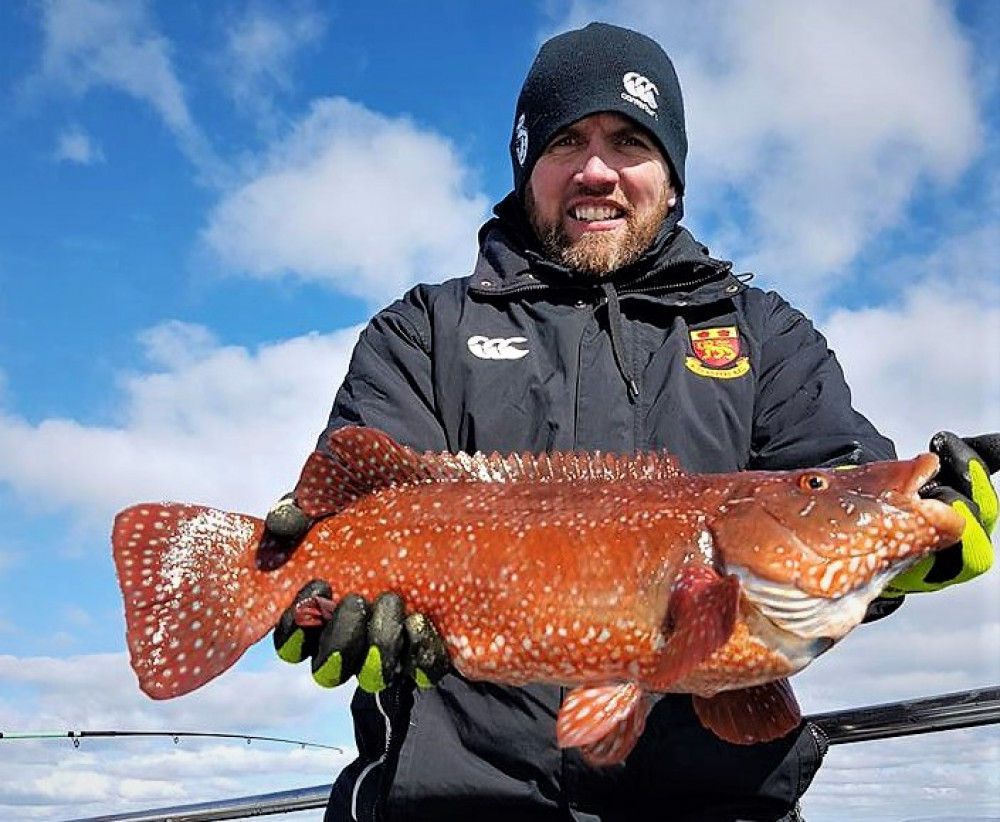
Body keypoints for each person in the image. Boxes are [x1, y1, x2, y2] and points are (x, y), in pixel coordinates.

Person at [265, 22, 998, 822]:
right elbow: (346, 507)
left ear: (673, 178)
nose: (595, 171)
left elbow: (837, 473)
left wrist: (918, 535)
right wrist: (321, 606)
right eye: (565, 141)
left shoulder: (766, 335)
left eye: (630, 141)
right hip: (452, 802)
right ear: (525, 166)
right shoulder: (423, 330)